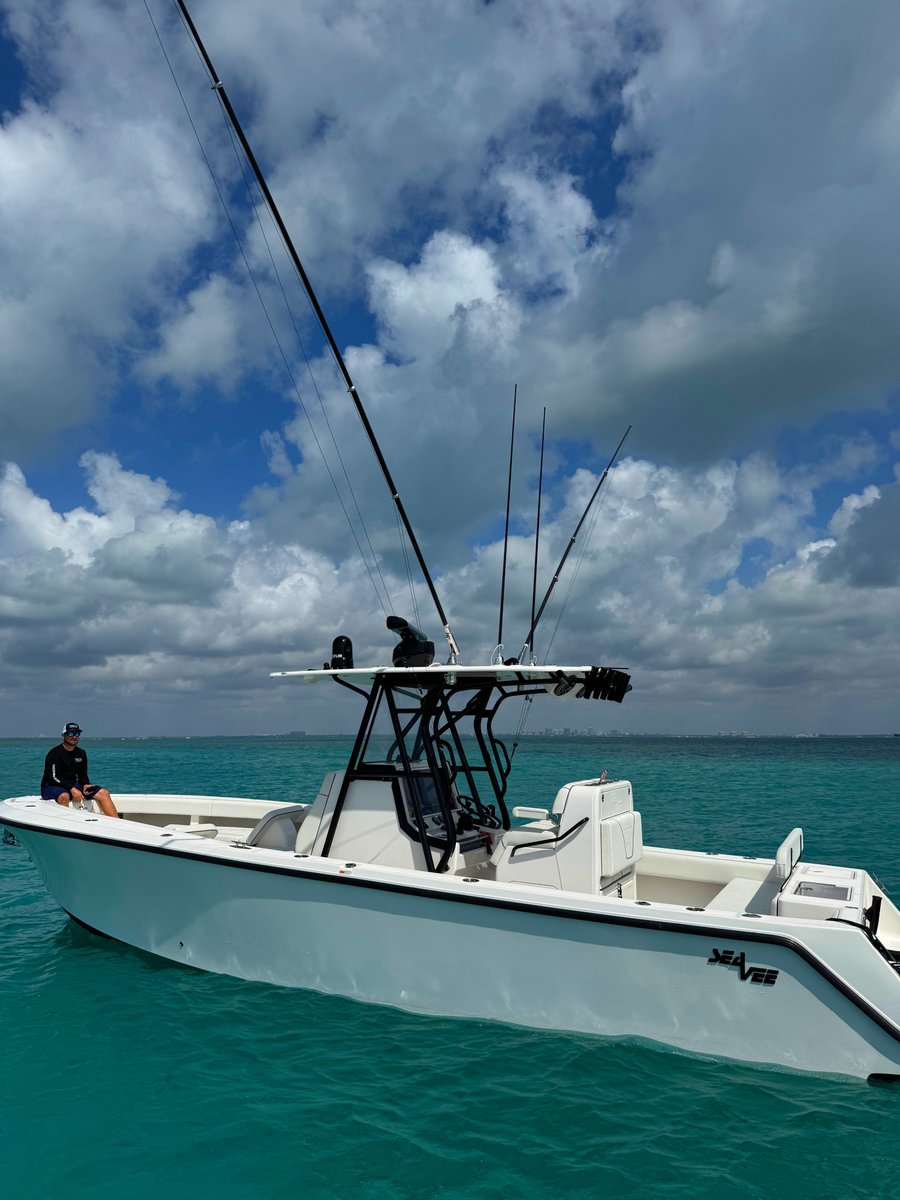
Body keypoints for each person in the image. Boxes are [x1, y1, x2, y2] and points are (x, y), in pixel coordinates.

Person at [40, 723, 118, 818]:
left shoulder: (81, 753)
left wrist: (85, 785)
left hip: (72, 785)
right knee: (64, 796)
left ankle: (117, 823)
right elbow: (53, 777)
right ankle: (65, 825)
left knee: (103, 793)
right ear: (63, 736)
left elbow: (83, 774)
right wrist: (71, 789)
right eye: (70, 734)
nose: (74, 737)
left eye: (77, 734)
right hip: (52, 786)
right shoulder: (54, 753)